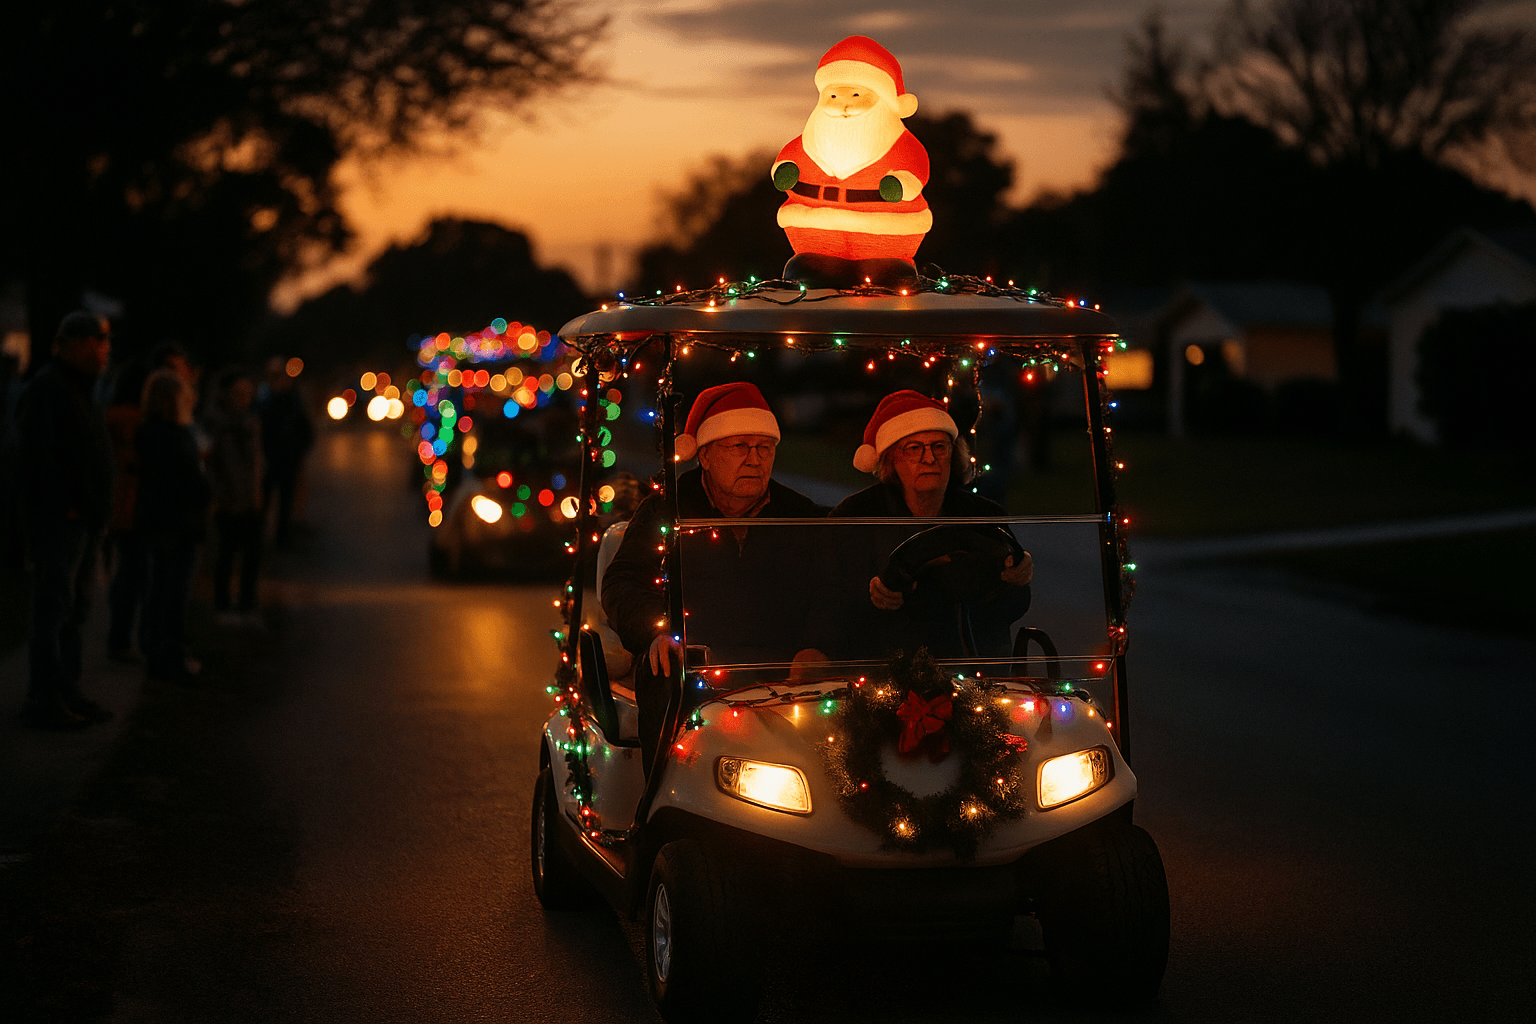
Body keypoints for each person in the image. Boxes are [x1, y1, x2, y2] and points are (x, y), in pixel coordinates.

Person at [601, 383, 826, 772]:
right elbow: (622, 581)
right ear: (704, 455)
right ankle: (662, 800)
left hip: (781, 662)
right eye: (740, 447)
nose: (755, 460)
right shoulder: (666, 509)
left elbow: (832, 588)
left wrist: (817, 645)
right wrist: (657, 631)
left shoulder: (801, 514)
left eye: (764, 448)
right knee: (663, 679)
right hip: (692, 661)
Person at [804, 390, 1033, 663]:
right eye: (914, 448)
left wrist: (1017, 578)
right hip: (884, 672)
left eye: (939, 446)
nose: (929, 459)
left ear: (953, 454)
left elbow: (1012, 607)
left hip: (970, 670)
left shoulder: (983, 514)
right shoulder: (855, 516)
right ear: (892, 459)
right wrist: (873, 597)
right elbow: (830, 605)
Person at [13, 312, 116, 728]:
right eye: (97, 340)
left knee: (77, 609)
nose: (104, 349)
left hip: (85, 518)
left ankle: (67, 690)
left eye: (105, 341)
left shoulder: (82, 390)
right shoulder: (47, 388)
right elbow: (36, 456)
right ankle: (44, 697)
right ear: (71, 342)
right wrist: (65, 504)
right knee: (55, 606)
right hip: (62, 520)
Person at [136, 369, 210, 682]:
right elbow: (189, 479)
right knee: (173, 593)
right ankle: (171, 658)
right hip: (177, 523)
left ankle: (157, 654)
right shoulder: (175, 436)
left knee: (160, 591)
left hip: (158, 520)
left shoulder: (149, 433)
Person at [204, 367, 264, 621]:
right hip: (226, 500)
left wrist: (259, 492)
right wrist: (215, 497)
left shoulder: (250, 422)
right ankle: (223, 605)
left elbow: (257, 461)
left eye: (247, 393)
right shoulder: (214, 422)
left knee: (253, 554)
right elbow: (211, 464)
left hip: (250, 499)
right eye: (238, 393)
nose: (244, 398)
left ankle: (247, 603)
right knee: (226, 556)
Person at [258, 355, 313, 545]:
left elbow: (304, 427)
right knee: (263, 499)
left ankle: (282, 537)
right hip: (268, 458)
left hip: (288, 458)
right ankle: (259, 537)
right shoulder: (264, 398)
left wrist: (300, 451)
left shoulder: (293, 399)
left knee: (285, 500)